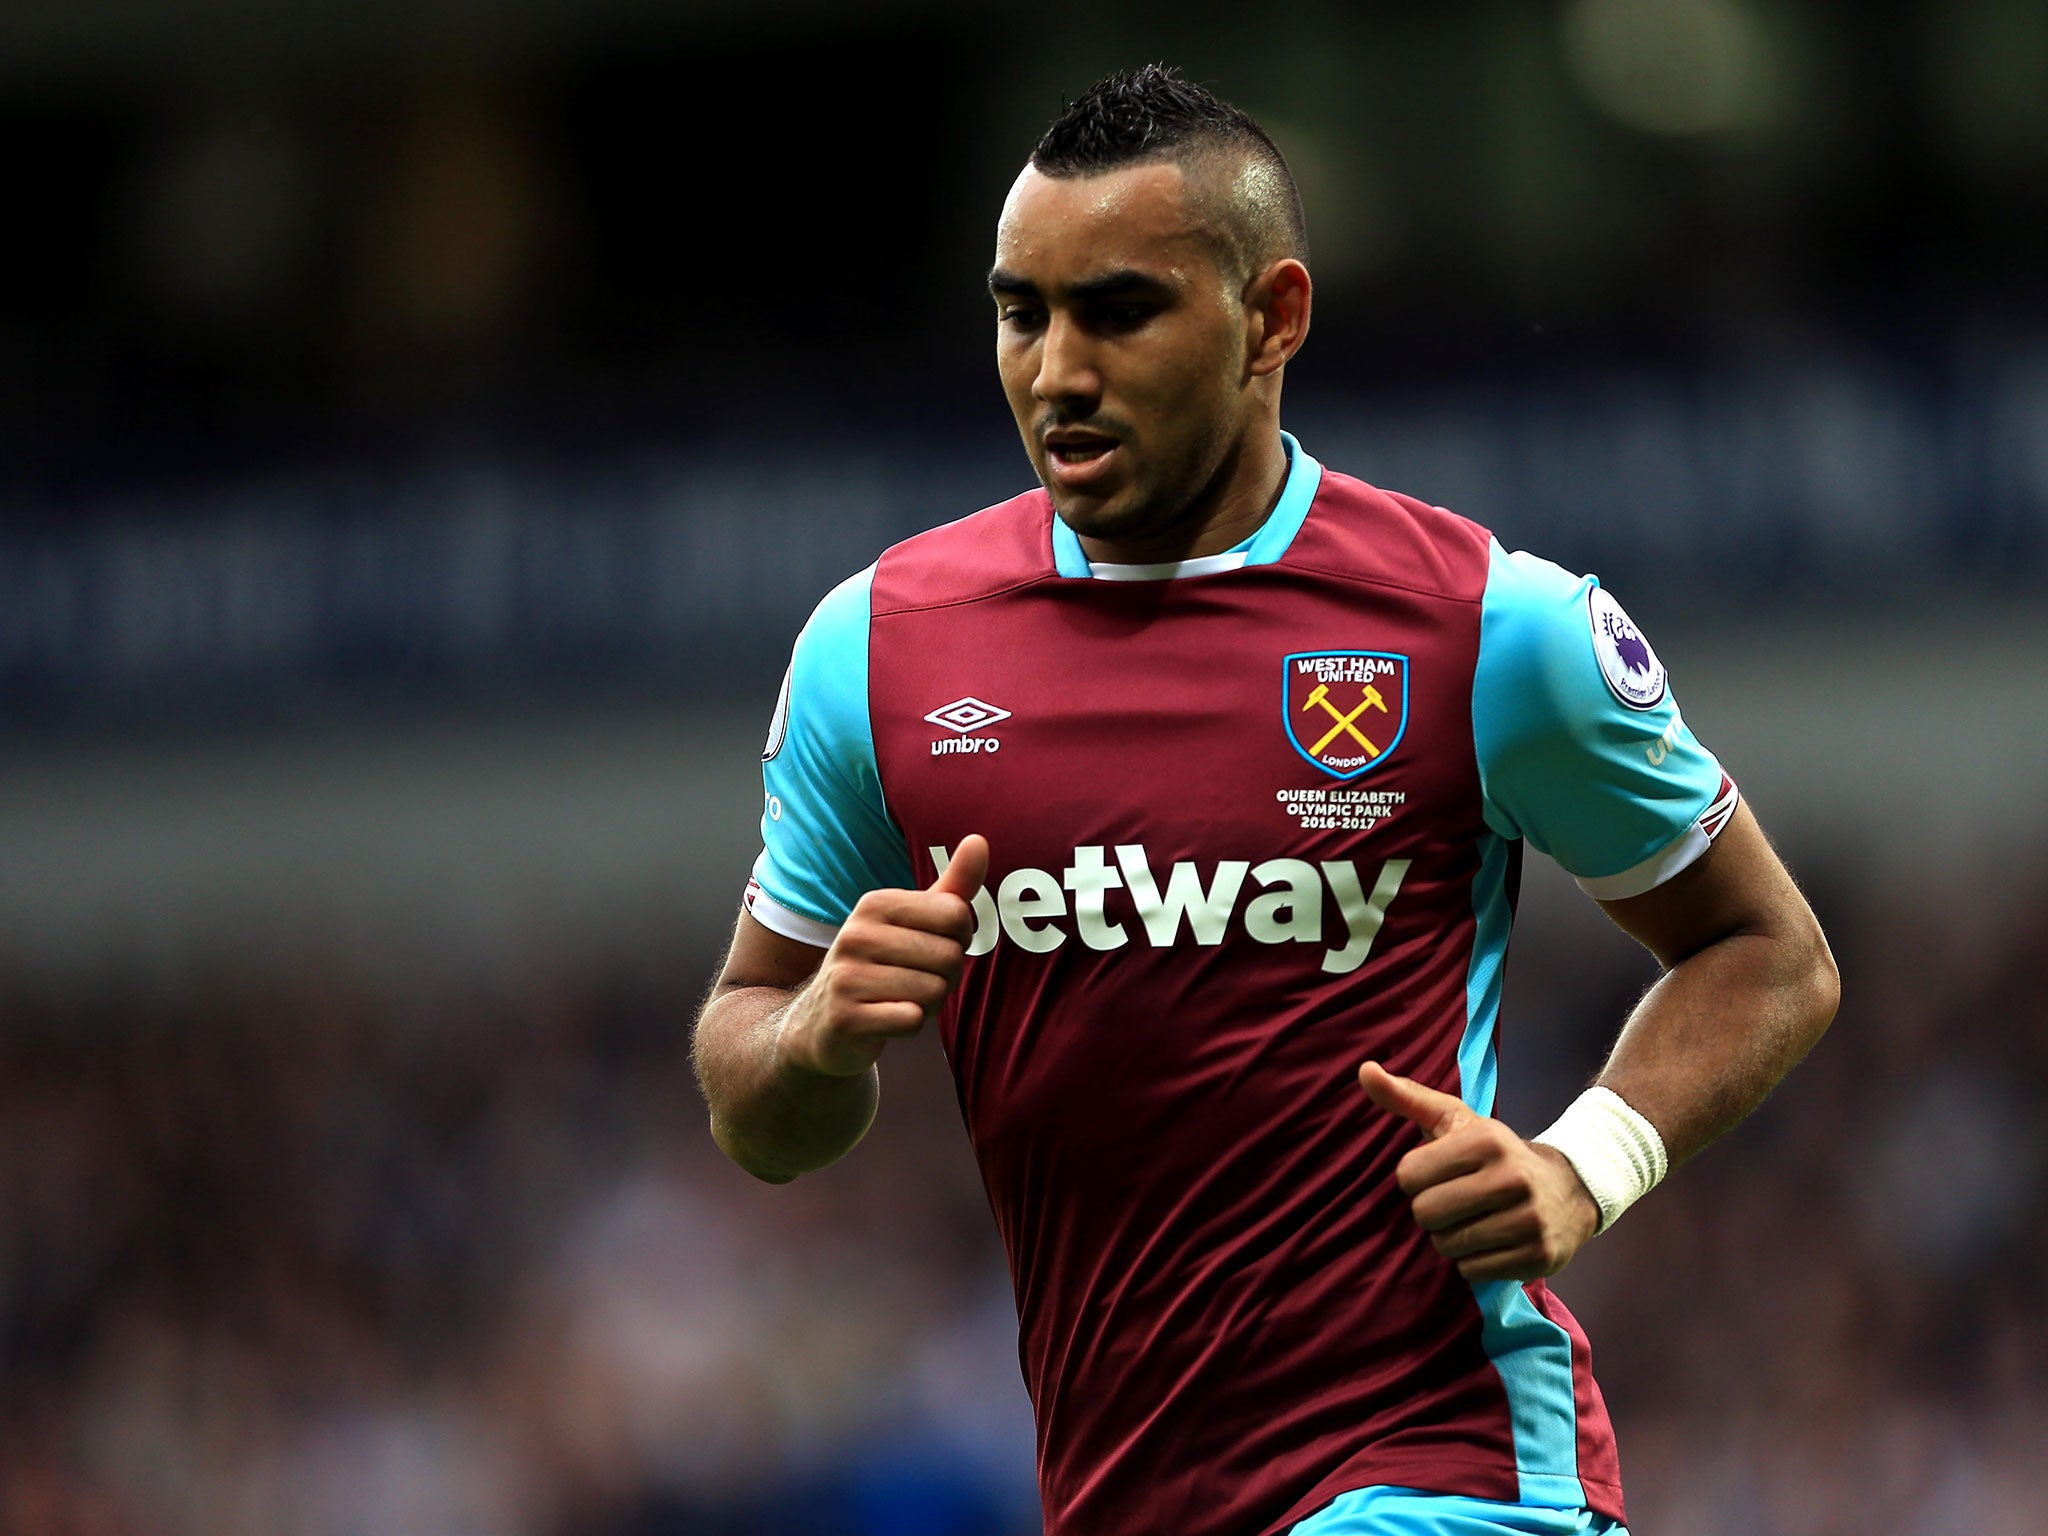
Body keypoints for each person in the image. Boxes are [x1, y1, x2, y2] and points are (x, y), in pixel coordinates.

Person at [693, 64, 1838, 1536]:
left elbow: (1768, 953)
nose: (1057, 371)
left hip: (1447, 1476)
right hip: (1127, 1493)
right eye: (1019, 313)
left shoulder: (1487, 628)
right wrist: (813, 1038)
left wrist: (1583, 1165)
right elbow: (758, 1112)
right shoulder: (880, 650)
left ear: (1272, 318)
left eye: (1118, 311)